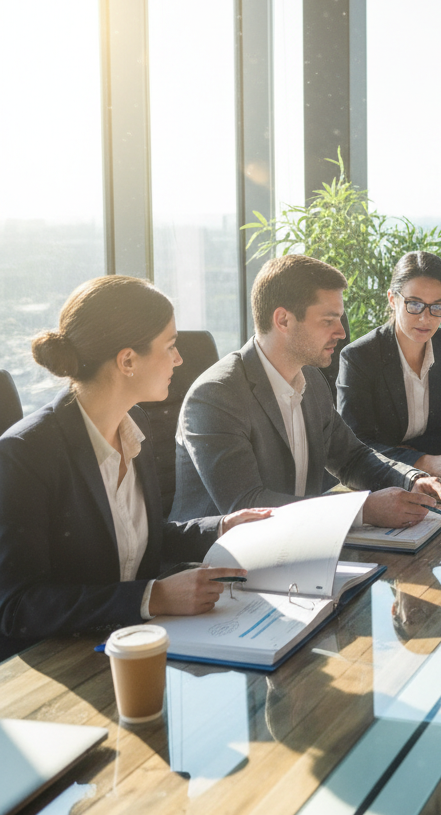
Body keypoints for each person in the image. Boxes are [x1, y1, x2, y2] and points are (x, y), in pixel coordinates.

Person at [0, 276, 271, 661]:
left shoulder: (134, 424)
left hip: (131, 643)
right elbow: (17, 606)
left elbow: (137, 534)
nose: (179, 359)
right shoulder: (25, 453)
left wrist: (222, 526)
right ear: (127, 360)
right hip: (59, 664)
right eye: (170, 346)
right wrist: (153, 596)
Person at [172, 254, 441, 528]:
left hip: (300, 552)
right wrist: (363, 510)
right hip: (218, 568)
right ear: (283, 320)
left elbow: (353, 458)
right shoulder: (216, 395)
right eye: (328, 321)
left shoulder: (310, 379)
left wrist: (412, 479)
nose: (342, 332)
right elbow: (247, 506)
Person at [337, 252, 441, 481]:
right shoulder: (359, 357)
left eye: (437, 307)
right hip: (382, 481)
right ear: (393, 300)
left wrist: (416, 451)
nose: (426, 318)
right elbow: (354, 445)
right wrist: (422, 461)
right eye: (414, 304)